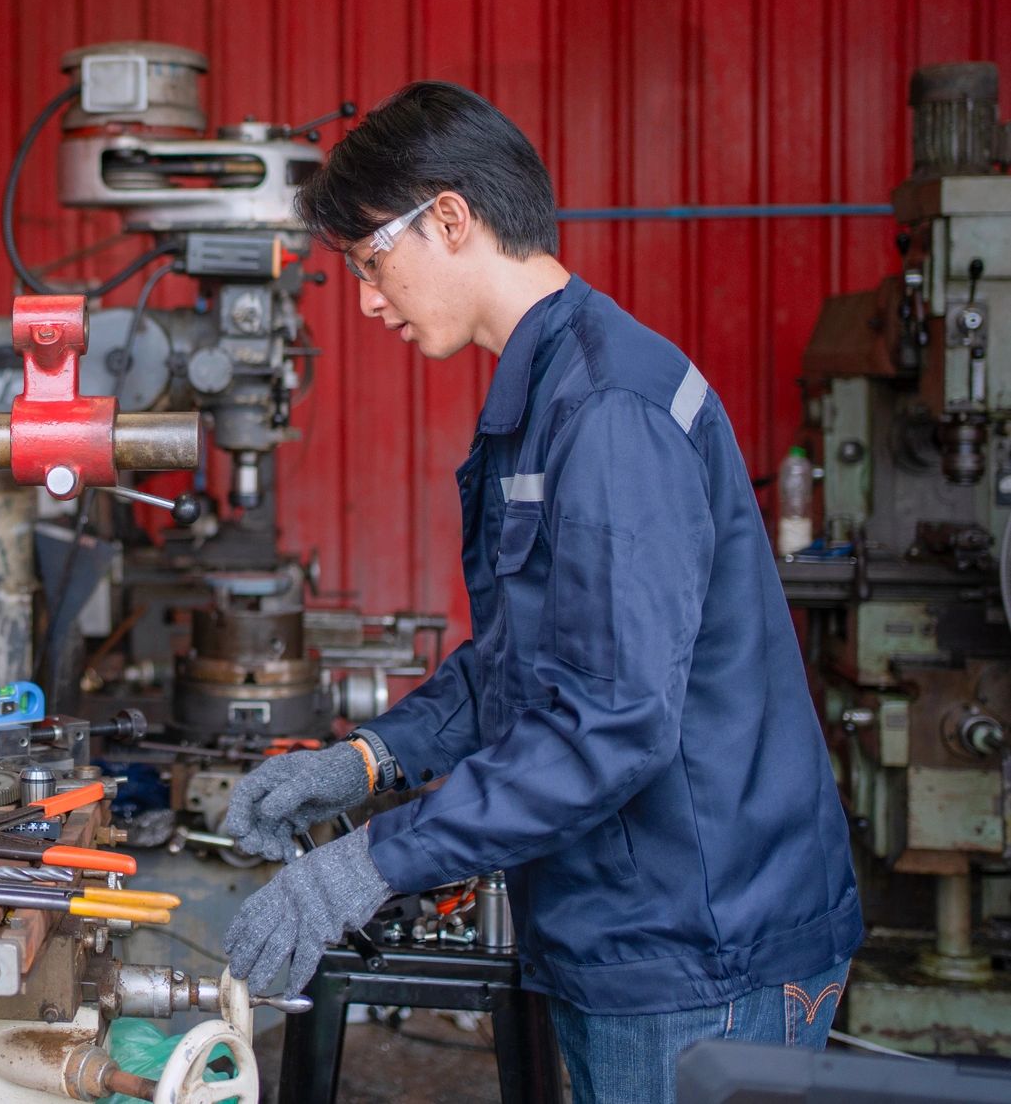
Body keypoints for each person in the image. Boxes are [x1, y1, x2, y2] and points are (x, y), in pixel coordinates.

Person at [220, 82, 863, 1104]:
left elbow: (610, 722)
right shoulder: (549, 391)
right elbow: (532, 661)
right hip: (631, 926)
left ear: (450, 218)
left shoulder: (607, 411)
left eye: (368, 260)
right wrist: (367, 759)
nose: (366, 298)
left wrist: (371, 864)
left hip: (699, 949)